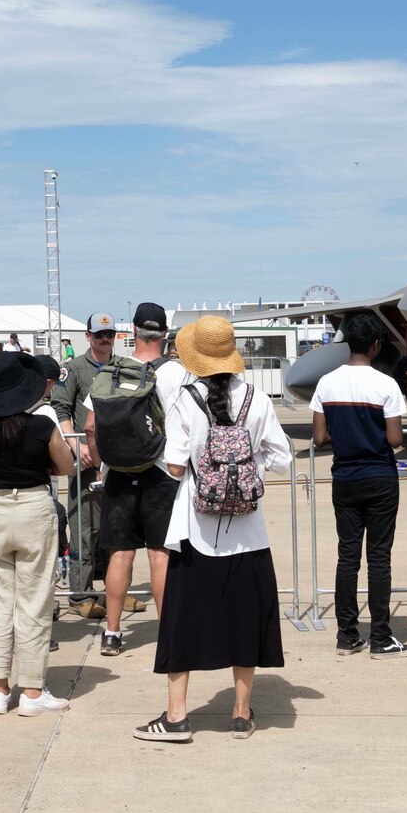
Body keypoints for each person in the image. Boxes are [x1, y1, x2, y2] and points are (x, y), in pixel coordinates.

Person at [134, 317, 291, 743]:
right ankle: (240, 714)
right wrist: (247, 469)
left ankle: (177, 716)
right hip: (249, 531)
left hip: (194, 529)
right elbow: (283, 458)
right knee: (246, 618)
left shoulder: (185, 400)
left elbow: (174, 465)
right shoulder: (257, 398)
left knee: (181, 621)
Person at [0, 352, 74, 716]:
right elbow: (66, 466)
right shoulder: (41, 427)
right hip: (32, 509)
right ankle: (31, 690)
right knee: (34, 601)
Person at [309, 309, 407, 657]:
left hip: (345, 477)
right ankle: (381, 637)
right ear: (377, 345)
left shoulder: (326, 383)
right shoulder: (386, 384)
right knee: (379, 558)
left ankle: (347, 635)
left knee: (347, 557)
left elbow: (320, 437)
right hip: (380, 476)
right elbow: (396, 439)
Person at [81, 301, 177, 656]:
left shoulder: (111, 371)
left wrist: (103, 464)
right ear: (164, 334)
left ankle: (113, 631)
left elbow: (90, 426)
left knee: (120, 555)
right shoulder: (176, 374)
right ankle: (167, 631)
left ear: (133, 331)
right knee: (160, 555)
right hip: (162, 472)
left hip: (118, 474)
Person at [60, 312, 119, 619]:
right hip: (84, 464)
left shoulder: (122, 368)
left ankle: (115, 593)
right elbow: (61, 410)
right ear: (88, 336)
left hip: (117, 463)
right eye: (99, 335)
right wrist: (76, 444)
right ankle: (80, 594)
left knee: (115, 530)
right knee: (83, 530)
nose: (105, 340)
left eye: (109, 334)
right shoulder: (74, 369)